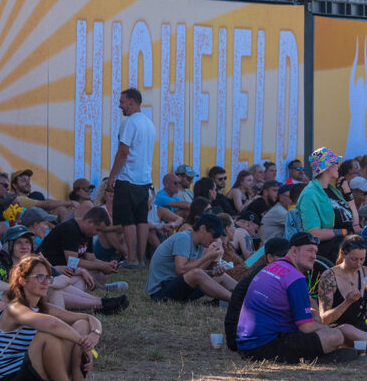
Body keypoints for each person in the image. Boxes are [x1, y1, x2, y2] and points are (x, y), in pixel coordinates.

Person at [0, 254, 107, 381]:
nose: (46, 283)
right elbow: (50, 324)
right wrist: (82, 342)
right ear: (22, 281)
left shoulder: (42, 307)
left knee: (82, 325)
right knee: (47, 335)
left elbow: (88, 318)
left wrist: (94, 335)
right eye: (40, 277)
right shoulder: (14, 309)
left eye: (48, 278)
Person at [236, 232, 355, 363]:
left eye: (315, 252)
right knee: (335, 336)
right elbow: (306, 328)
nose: (314, 256)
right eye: (309, 250)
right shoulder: (295, 278)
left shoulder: (272, 267)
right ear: (293, 250)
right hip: (265, 347)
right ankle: (317, 358)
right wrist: (326, 328)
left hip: (245, 343)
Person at [107, 88, 156, 269]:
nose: (120, 106)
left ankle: (131, 259)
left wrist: (112, 175)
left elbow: (123, 151)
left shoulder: (129, 123)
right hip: (144, 179)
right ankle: (141, 259)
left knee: (128, 221)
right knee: (141, 220)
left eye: (122, 102)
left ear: (132, 102)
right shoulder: (149, 124)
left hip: (127, 178)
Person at [145, 214, 236, 303]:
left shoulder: (199, 245)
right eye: (215, 235)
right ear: (203, 228)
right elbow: (181, 270)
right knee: (197, 273)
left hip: (178, 289)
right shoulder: (183, 238)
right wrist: (207, 257)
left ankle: (245, 295)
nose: (216, 239)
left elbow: (194, 272)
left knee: (219, 276)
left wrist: (211, 272)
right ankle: (236, 301)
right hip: (160, 292)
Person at [223, 237, 290, 351]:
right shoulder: (268, 277)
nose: (288, 260)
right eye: (283, 256)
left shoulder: (265, 272)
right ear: (270, 258)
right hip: (242, 338)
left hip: (239, 335)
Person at [39, 207, 119, 287]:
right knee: (93, 273)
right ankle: (102, 288)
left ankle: (99, 286)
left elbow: (91, 258)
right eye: (97, 230)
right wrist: (102, 266)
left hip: (69, 269)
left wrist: (107, 265)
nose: (97, 234)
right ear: (89, 222)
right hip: (55, 268)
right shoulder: (70, 229)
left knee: (100, 274)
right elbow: (73, 262)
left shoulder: (88, 231)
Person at [296, 147, 348, 262]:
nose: (338, 166)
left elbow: (352, 219)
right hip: (330, 247)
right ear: (327, 166)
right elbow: (313, 233)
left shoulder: (334, 190)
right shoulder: (309, 195)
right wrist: (344, 232)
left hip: (346, 242)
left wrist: (348, 194)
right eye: (336, 163)